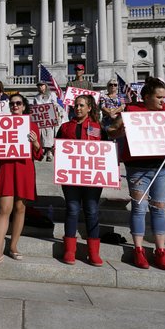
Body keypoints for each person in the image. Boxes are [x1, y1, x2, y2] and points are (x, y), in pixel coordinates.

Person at [108, 77, 165, 271]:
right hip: (137, 167)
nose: (162, 101)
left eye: (163, 97)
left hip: (161, 167)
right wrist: (121, 132)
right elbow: (111, 130)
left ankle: (160, 251)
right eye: (159, 97)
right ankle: (138, 249)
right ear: (146, 97)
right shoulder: (131, 111)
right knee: (139, 208)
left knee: (159, 208)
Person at [0, 93, 44, 271]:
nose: (15, 106)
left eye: (18, 103)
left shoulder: (32, 125)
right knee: (4, 209)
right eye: (12, 104)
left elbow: (39, 155)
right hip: (7, 169)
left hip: (25, 169)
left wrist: (36, 143)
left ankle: (13, 246)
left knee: (20, 208)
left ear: (24, 106)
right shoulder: (1, 124)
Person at [56, 94, 105, 266]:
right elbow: (58, 148)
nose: (78, 108)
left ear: (89, 108)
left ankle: (93, 252)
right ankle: (69, 250)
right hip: (71, 177)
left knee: (91, 210)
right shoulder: (64, 127)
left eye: (82, 105)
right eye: (76, 105)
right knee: (72, 209)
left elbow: (106, 149)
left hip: (92, 177)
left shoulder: (97, 128)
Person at [31, 80, 61, 161]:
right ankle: (41, 152)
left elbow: (55, 105)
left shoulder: (51, 94)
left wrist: (56, 112)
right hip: (40, 119)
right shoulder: (36, 97)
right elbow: (35, 108)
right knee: (40, 135)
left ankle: (49, 153)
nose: (40, 87)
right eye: (39, 86)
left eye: (42, 85)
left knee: (49, 135)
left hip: (49, 118)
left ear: (45, 86)